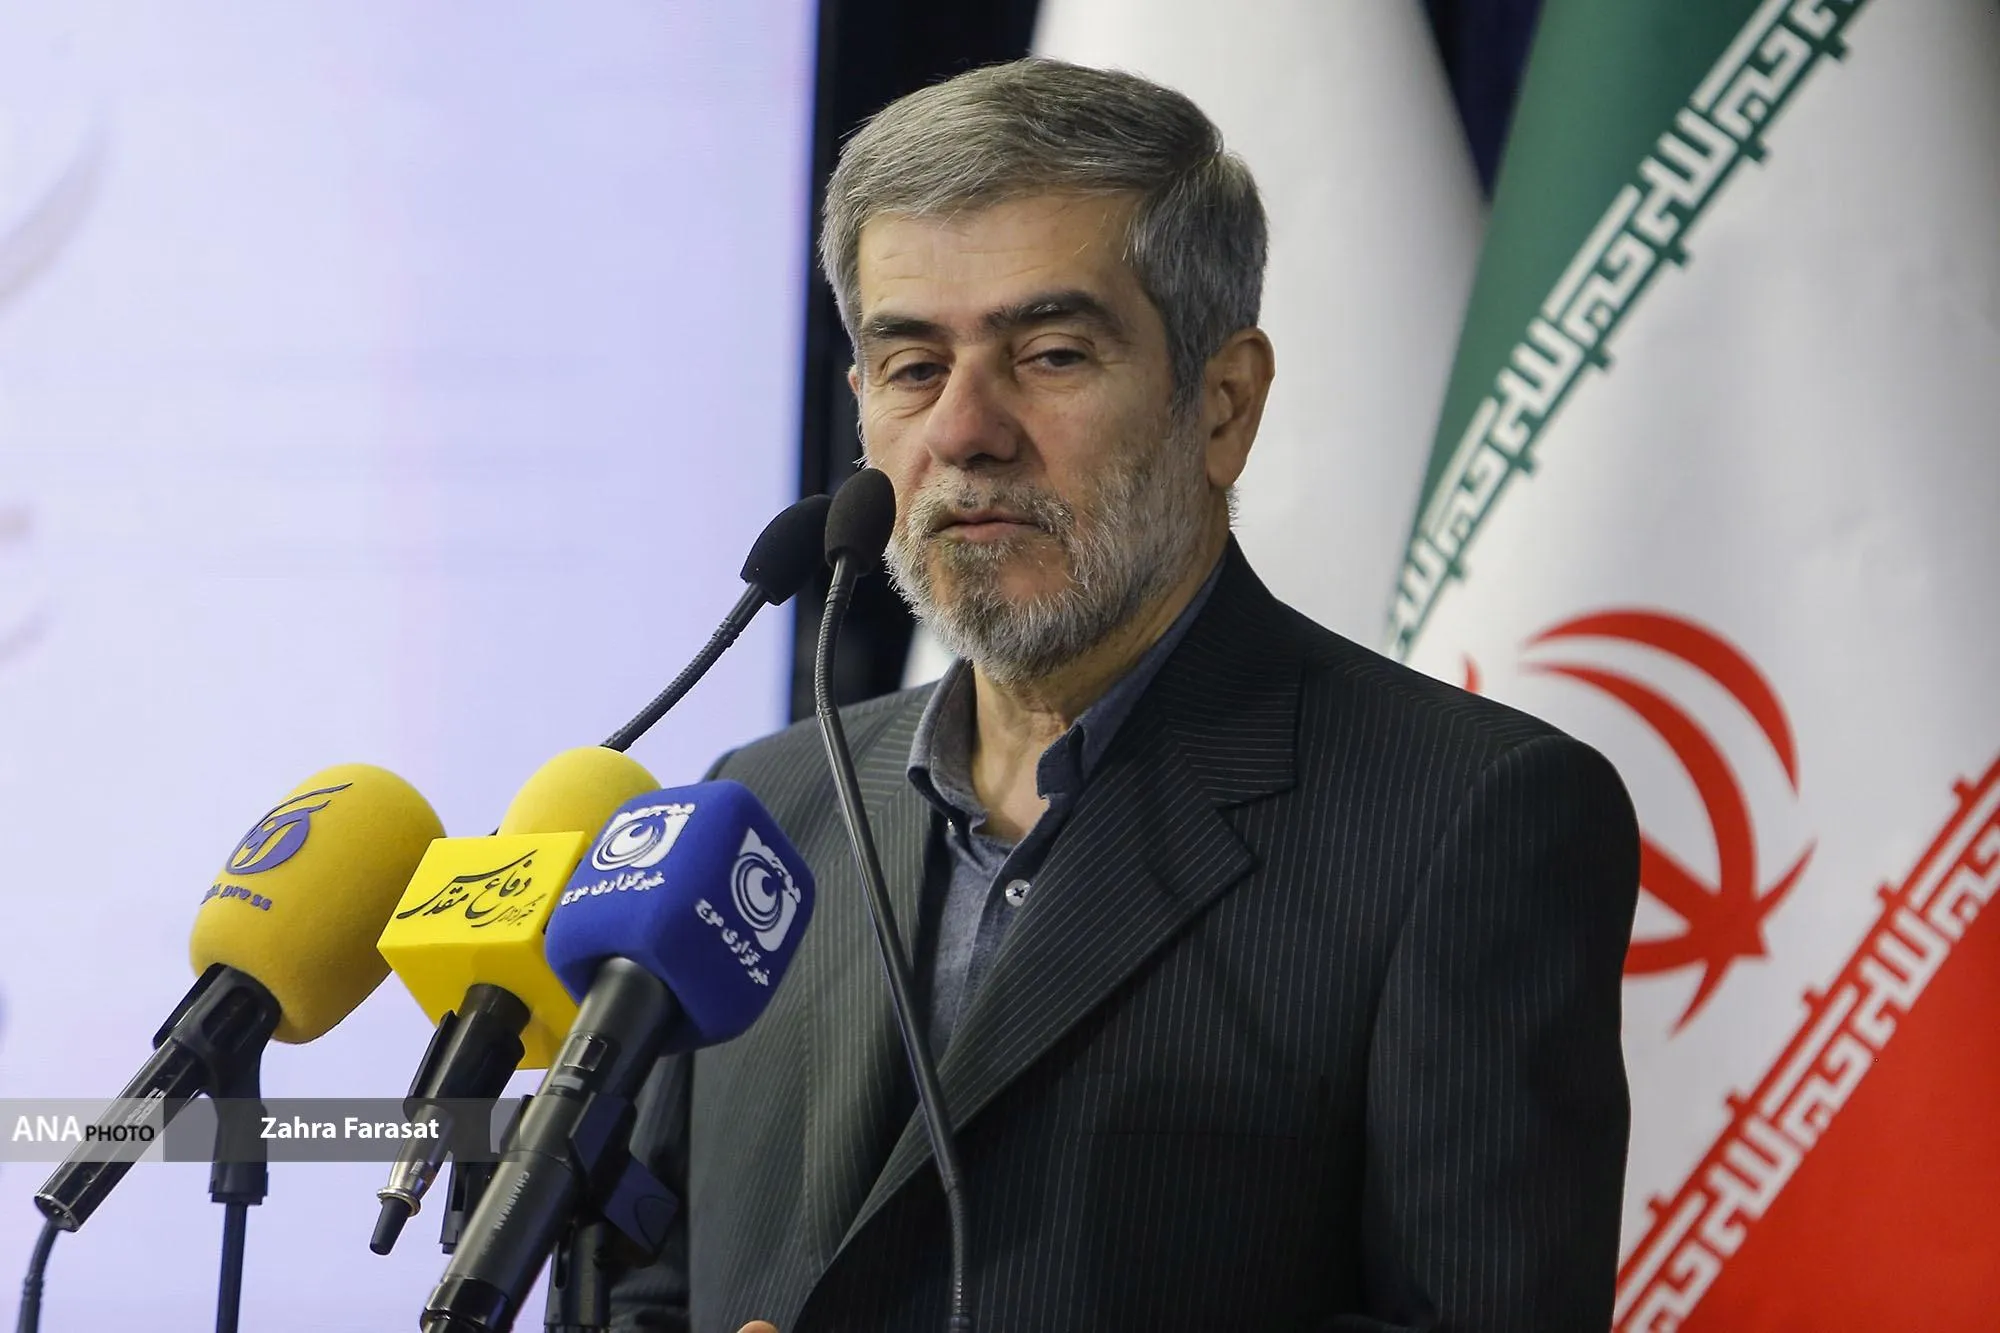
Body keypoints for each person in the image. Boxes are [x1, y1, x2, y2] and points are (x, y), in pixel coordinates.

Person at [612, 58, 1639, 1333]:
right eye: (912, 365)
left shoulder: (1463, 816)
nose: (965, 430)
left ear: (1221, 404)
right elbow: (640, 1281)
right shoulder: (759, 809)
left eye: (1049, 354)